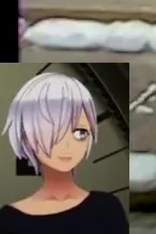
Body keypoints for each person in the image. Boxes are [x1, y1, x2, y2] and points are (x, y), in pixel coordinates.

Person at [0, 73, 129, 234]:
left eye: (80, 133)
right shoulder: (8, 221)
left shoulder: (107, 207)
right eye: (53, 133)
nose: (67, 145)